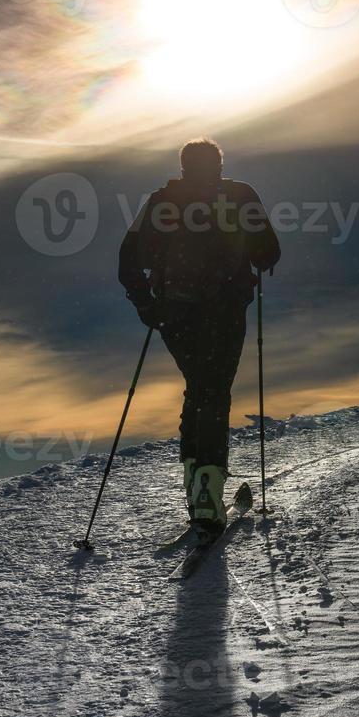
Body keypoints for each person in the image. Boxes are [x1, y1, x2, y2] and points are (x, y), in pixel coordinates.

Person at [118, 138, 281, 542]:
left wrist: (146, 306)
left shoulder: (161, 201)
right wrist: (255, 256)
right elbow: (269, 252)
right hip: (225, 312)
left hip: (174, 313)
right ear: (220, 164)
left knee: (198, 388)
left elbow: (127, 260)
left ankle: (196, 482)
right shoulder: (241, 195)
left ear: (183, 164)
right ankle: (207, 491)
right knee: (213, 391)